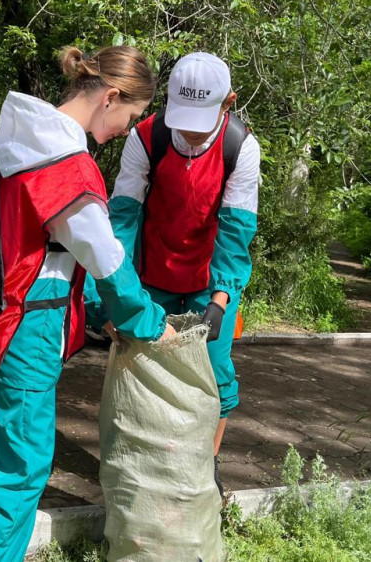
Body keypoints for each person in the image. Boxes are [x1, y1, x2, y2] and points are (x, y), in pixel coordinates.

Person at [0, 45, 174, 562]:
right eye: (131, 116)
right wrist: (145, 321)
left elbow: (57, 251)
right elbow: (106, 260)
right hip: (26, 333)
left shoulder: (22, 141)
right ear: (110, 97)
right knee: (22, 475)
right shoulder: (63, 165)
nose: (126, 129)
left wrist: (99, 312)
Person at [89, 52, 260, 495]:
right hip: (152, 272)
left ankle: (207, 464)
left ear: (228, 103)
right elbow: (123, 217)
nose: (188, 130)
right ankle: (142, 459)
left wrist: (221, 298)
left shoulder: (239, 147)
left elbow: (235, 230)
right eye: (182, 116)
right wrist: (111, 294)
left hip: (210, 278)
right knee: (142, 361)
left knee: (216, 371)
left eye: (201, 119)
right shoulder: (147, 137)